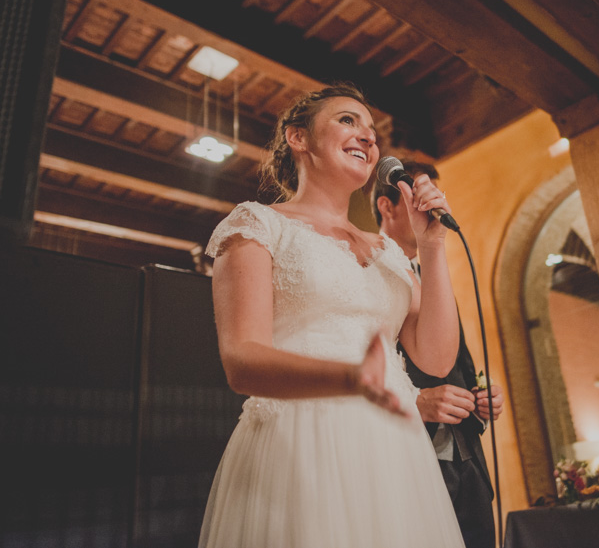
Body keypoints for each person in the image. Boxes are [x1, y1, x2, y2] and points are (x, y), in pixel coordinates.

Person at [198, 83, 466, 547]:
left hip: (395, 451)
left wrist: (432, 247)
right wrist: (354, 380)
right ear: (298, 137)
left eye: (372, 130)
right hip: (300, 442)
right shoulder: (258, 225)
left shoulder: (388, 252)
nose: (368, 136)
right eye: (347, 120)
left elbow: (437, 359)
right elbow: (241, 360)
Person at [373, 161, 505, 548]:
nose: (431, 205)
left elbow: (456, 360)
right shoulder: (367, 266)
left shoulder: (432, 272)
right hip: (406, 456)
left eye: (435, 195)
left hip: (467, 454)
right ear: (387, 206)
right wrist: (413, 401)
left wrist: (481, 396)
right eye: (419, 195)